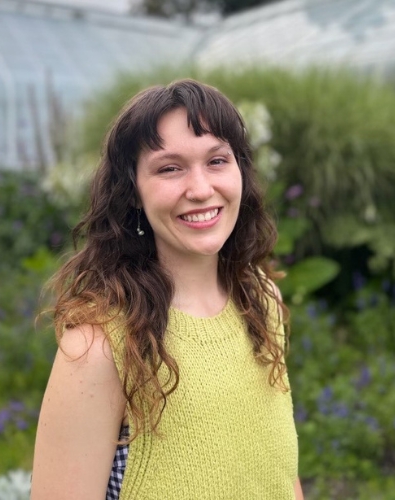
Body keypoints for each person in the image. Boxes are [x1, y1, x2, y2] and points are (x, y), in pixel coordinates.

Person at [31, 79, 303, 500]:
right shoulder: (98, 347)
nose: (201, 189)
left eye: (217, 160)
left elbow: (281, 475)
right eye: (170, 168)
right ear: (133, 193)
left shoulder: (262, 300)